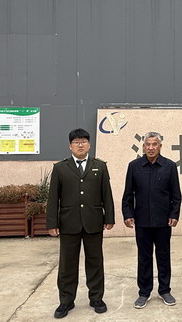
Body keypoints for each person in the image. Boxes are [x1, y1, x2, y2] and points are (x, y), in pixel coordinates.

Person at [46, 128, 115, 319]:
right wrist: (52, 222)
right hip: (69, 223)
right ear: (70, 146)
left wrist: (109, 217)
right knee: (67, 264)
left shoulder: (100, 166)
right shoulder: (60, 168)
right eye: (76, 142)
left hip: (94, 222)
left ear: (89, 145)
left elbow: (106, 194)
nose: (80, 145)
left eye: (84, 141)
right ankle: (66, 301)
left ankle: (96, 298)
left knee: (95, 262)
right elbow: (53, 198)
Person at [122, 131, 182, 309]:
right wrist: (128, 214)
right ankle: (144, 292)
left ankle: (165, 290)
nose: (150, 147)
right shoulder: (134, 166)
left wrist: (174, 215)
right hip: (142, 221)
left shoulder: (169, 166)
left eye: (154, 144)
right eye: (147, 144)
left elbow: (176, 195)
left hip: (163, 221)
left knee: (163, 256)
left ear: (160, 146)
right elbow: (128, 195)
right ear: (143, 146)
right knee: (144, 257)